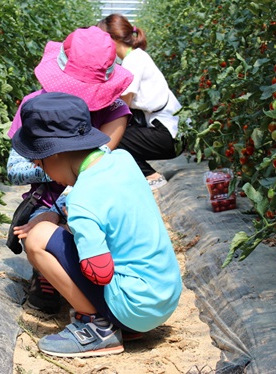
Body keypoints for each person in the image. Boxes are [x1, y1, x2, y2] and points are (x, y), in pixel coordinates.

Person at [11, 92, 182, 357]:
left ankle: (96, 328)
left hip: (134, 308)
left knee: (37, 237)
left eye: (40, 164)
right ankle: (117, 321)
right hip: (164, 297)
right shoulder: (124, 160)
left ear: (55, 155)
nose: (44, 172)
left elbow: (99, 273)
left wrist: (72, 232)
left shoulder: (82, 200)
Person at [7, 26, 133, 314]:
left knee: (92, 230)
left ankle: (105, 290)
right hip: (46, 200)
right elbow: (14, 170)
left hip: (92, 197)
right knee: (37, 230)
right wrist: (51, 172)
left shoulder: (114, 111)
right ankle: (49, 278)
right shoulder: (34, 107)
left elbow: (95, 170)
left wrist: (62, 208)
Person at [97, 14, 185, 189]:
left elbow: (122, 106)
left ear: (112, 39)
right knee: (113, 133)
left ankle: (151, 175)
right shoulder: (135, 58)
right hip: (170, 132)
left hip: (169, 136)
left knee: (111, 138)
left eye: (101, 40)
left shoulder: (134, 62)